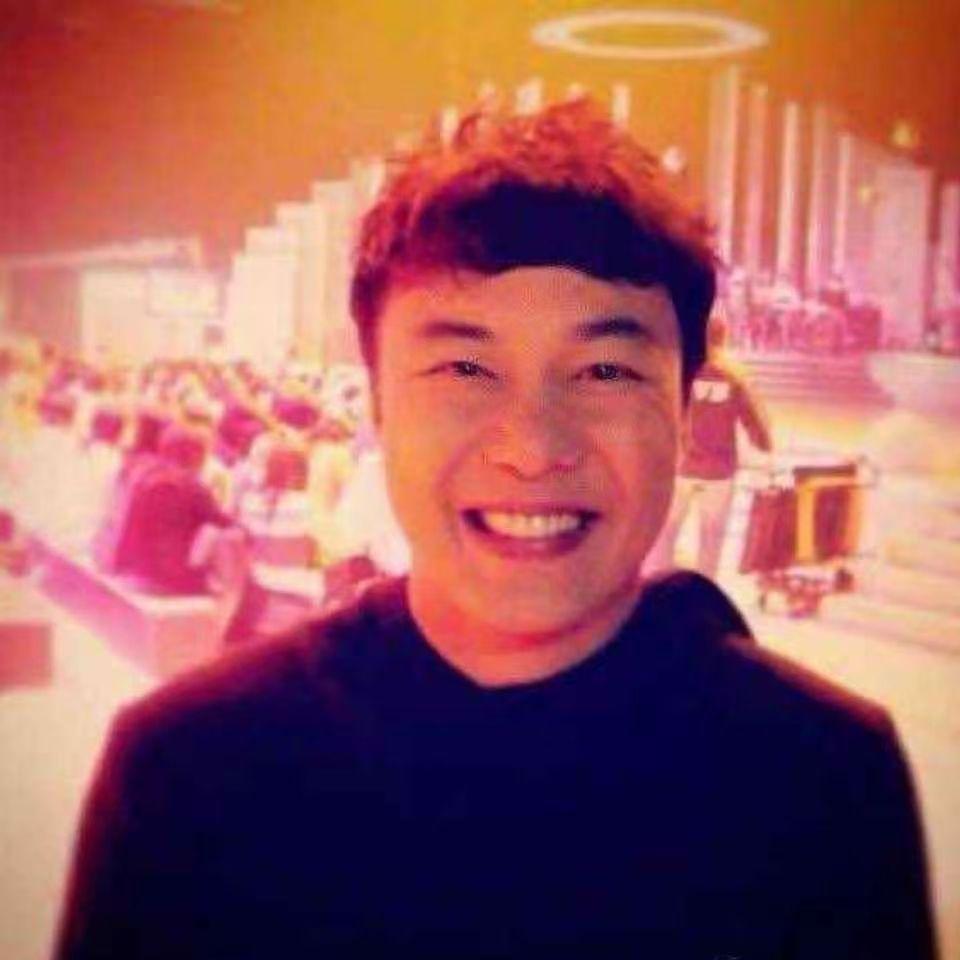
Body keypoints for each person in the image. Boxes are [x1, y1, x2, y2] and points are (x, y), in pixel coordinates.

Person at [54, 100, 936, 960]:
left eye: (604, 370)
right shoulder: (192, 775)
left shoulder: (823, 781)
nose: (534, 448)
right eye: (464, 368)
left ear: (681, 408)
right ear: (377, 406)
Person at [646, 314, 773, 578]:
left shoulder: (677, 371)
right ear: (724, 337)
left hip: (680, 467)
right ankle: (703, 590)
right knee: (711, 538)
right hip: (719, 472)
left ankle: (660, 587)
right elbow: (755, 424)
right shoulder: (734, 377)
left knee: (666, 534)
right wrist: (765, 444)